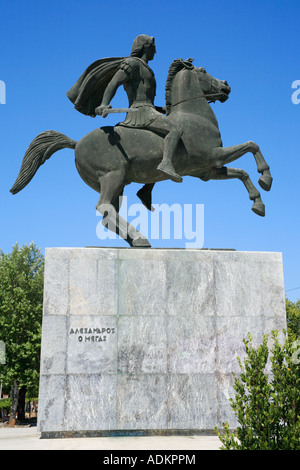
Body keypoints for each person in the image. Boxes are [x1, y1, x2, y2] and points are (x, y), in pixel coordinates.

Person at [67, 35, 183, 183]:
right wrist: (104, 103)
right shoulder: (133, 64)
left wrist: (161, 109)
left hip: (149, 110)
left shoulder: (146, 68)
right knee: (175, 130)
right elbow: (114, 82)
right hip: (141, 112)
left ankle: (147, 188)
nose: (156, 51)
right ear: (145, 46)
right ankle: (166, 163)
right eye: (153, 47)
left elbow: (146, 98)